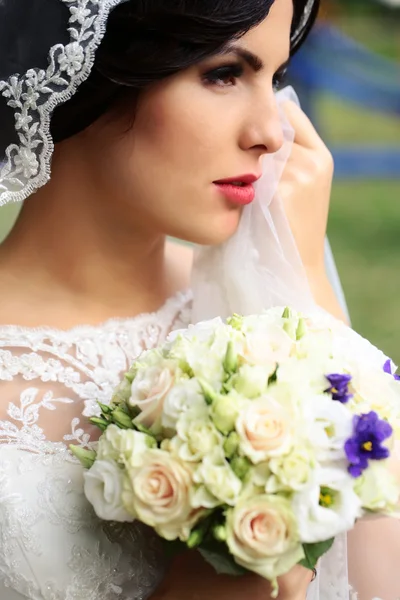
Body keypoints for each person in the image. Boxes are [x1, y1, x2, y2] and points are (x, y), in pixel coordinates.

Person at [0, 1, 398, 599]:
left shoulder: (268, 314)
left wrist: (305, 287)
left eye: (276, 79)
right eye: (224, 74)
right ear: (97, 72)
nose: (272, 133)